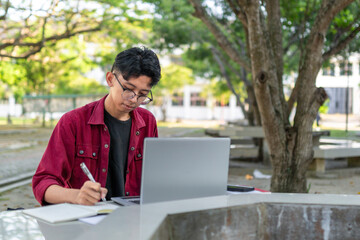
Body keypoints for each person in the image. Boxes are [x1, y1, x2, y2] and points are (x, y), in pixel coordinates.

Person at [32, 47, 161, 206]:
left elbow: (154, 178)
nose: (134, 100)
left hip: (134, 219)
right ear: (110, 79)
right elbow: (43, 183)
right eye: (128, 89)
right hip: (85, 222)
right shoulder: (73, 122)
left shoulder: (148, 122)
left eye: (142, 94)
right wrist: (76, 196)